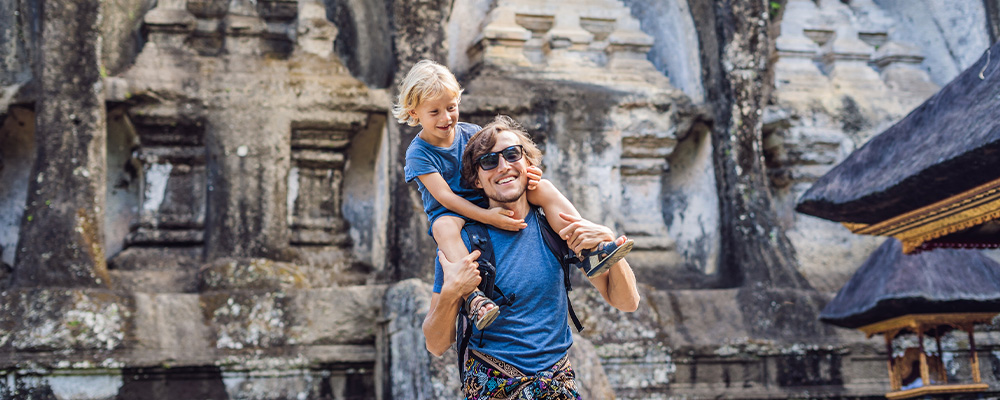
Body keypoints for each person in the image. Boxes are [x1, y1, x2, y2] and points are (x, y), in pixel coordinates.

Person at [393, 60, 632, 331]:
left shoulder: (470, 133)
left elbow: (505, 161)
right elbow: (445, 197)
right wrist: (488, 218)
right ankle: (473, 296)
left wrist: (531, 173)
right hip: (450, 210)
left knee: (543, 188)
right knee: (443, 226)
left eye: (451, 107)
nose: (446, 118)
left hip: (483, 196)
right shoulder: (418, 153)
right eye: (434, 112)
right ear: (414, 113)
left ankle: (588, 246)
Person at [422, 115, 641, 399]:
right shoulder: (465, 243)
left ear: (528, 165)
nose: (504, 166)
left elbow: (626, 302)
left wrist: (608, 244)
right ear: (476, 179)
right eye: (489, 161)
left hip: (557, 386)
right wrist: (453, 291)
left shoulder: (556, 228)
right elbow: (436, 345)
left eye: (512, 154)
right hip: (492, 388)